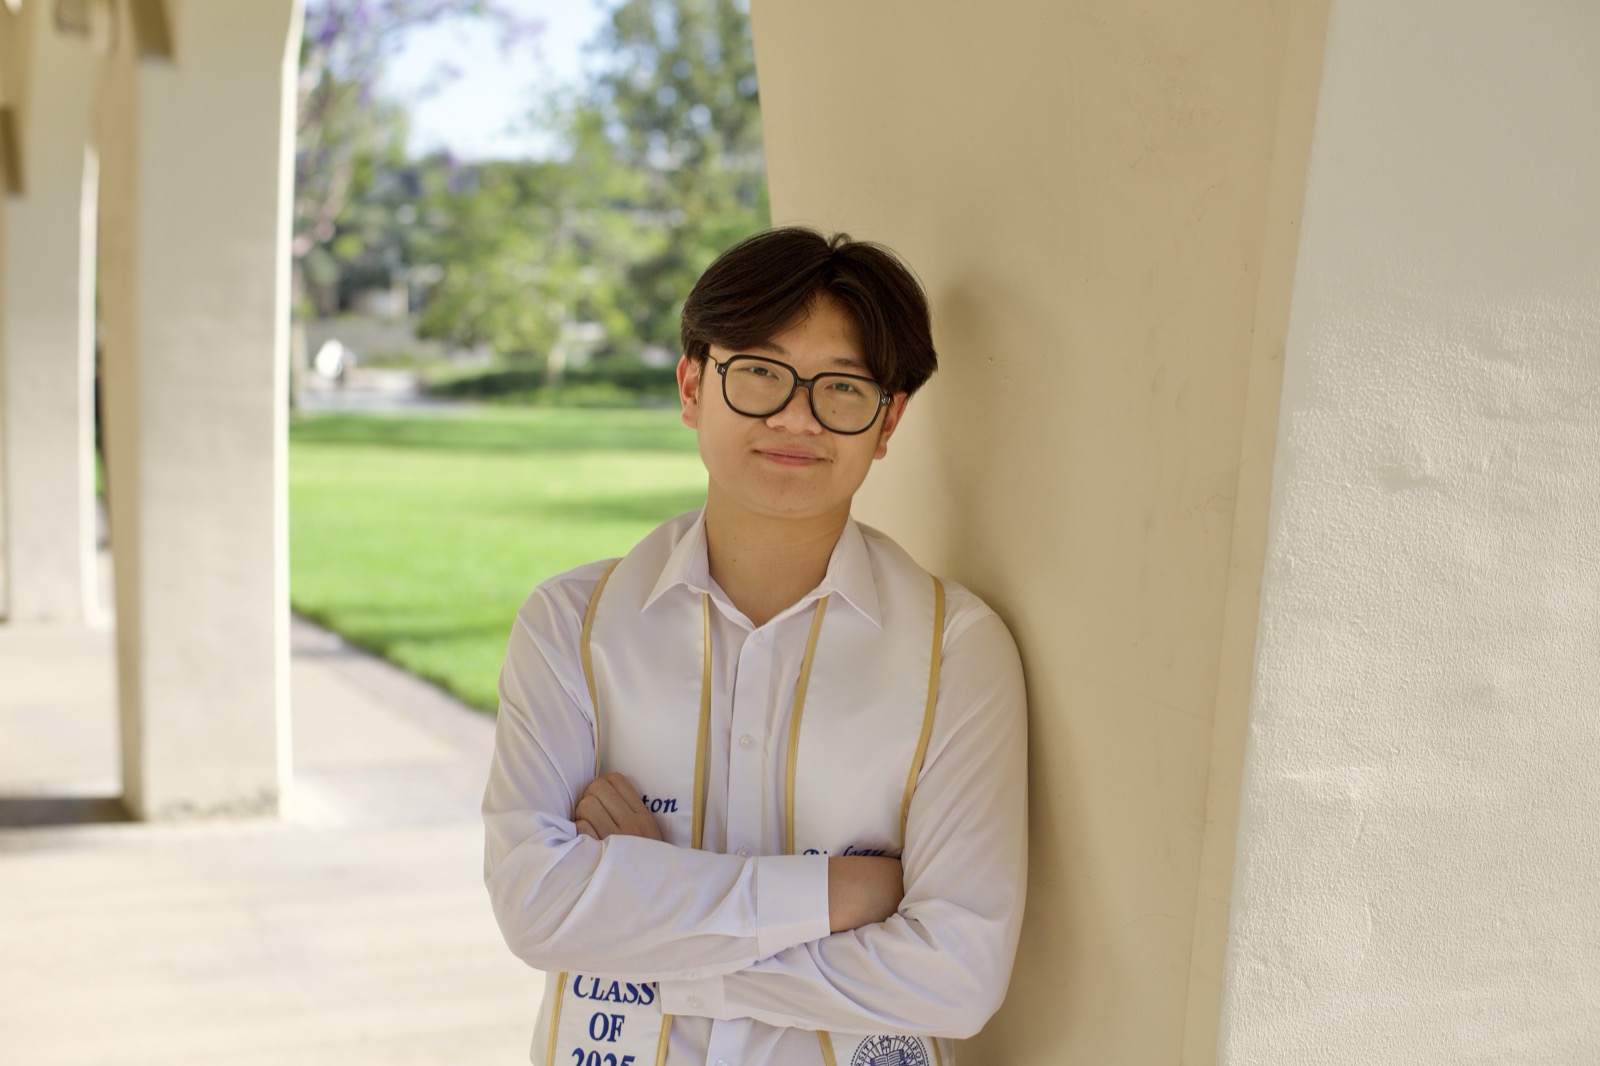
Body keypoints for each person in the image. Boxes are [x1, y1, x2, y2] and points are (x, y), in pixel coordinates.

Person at [483, 227, 1028, 1066]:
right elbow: (537, 911)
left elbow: (956, 979)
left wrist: (649, 914)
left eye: (841, 388)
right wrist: (843, 895)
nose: (795, 416)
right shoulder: (570, 625)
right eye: (761, 374)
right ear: (693, 386)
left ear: (888, 423)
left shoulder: (955, 650)